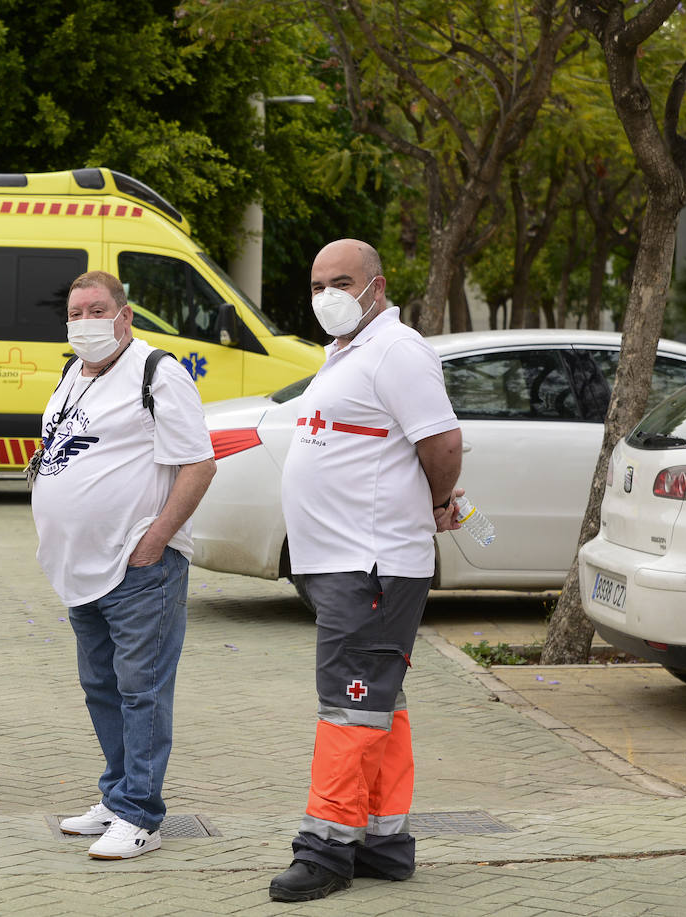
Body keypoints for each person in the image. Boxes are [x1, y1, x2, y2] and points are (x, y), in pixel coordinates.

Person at [269, 239, 462, 902]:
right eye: (318, 282)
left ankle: (326, 846)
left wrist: (438, 500)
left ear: (377, 285)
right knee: (376, 699)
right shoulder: (347, 353)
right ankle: (383, 838)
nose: (327, 294)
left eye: (341, 281)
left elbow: (443, 441)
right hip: (343, 562)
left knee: (348, 704)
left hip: (372, 563)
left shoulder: (397, 350)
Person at [31, 270, 216, 860]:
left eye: (96, 310)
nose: (84, 321)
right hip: (81, 569)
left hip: (140, 568)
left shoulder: (157, 372)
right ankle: (116, 798)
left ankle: (141, 815)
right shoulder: (71, 374)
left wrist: (157, 538)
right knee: (102, 688)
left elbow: (198, 466)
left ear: (125, 315)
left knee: (143, 691)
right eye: (75, 311)